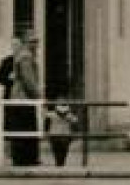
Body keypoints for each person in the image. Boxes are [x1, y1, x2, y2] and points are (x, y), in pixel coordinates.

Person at [8, 31, 42, 167]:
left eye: (36, 41)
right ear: (26, 43)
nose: (36, 45)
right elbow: (29, 81)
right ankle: (26, 159)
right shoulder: (26, 57)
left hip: (20, 98)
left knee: (22, 130)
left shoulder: (22, 56)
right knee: (26, 129)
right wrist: (38, 95)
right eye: (33, 42)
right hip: (23, 99)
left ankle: (22, 158)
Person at [45, 102, 78, 167]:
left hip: (57, 135)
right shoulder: (69, 116)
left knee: (59, 150)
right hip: (61, 135)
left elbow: (75, 121)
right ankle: (60, 162)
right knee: (61, 151)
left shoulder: (52, 115)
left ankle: (59, 162)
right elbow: (75, 121)